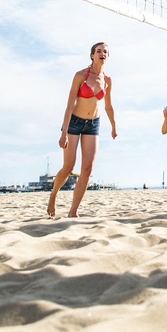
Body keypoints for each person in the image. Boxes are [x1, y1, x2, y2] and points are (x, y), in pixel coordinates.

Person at [48, 42, 117, 218]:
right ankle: (53, 195)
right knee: (68, 167)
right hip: (74, 122)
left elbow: (108, 106)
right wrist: (63, 133)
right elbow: (70, 105)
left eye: (105, 52)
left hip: (93, 124)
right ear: (92, 55)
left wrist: (114, 126)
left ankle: (73, 211)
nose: (102, 54)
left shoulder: (108, 81)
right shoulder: (80, 75)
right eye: (99, 51)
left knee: (87, 168)